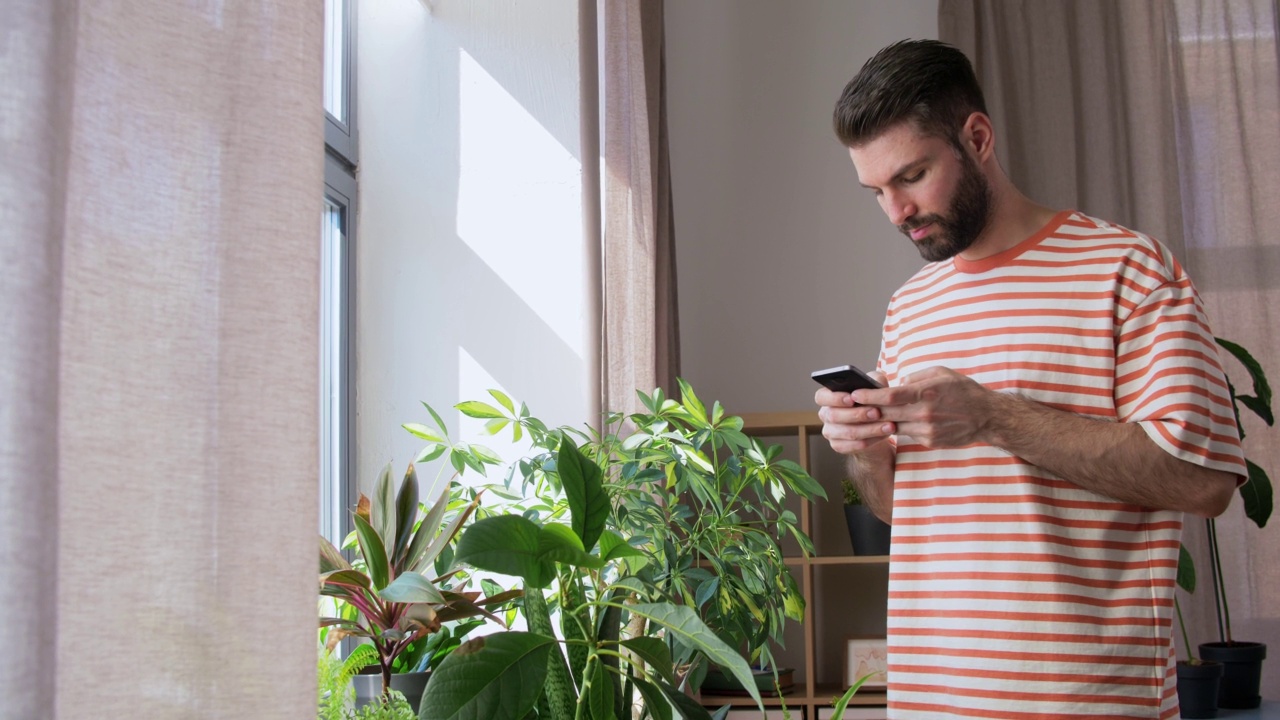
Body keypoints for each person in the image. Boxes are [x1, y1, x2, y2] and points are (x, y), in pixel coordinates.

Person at [818, 40, 1246, 720]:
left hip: (1087, 706)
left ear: (977, 137)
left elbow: (1204, 480)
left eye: (912, 175)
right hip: (932, 705)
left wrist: (995, 417)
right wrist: (867, 451)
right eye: (877, 191)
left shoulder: (1128, 271)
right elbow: (903, 509)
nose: (896, 211)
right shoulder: (910, 307)